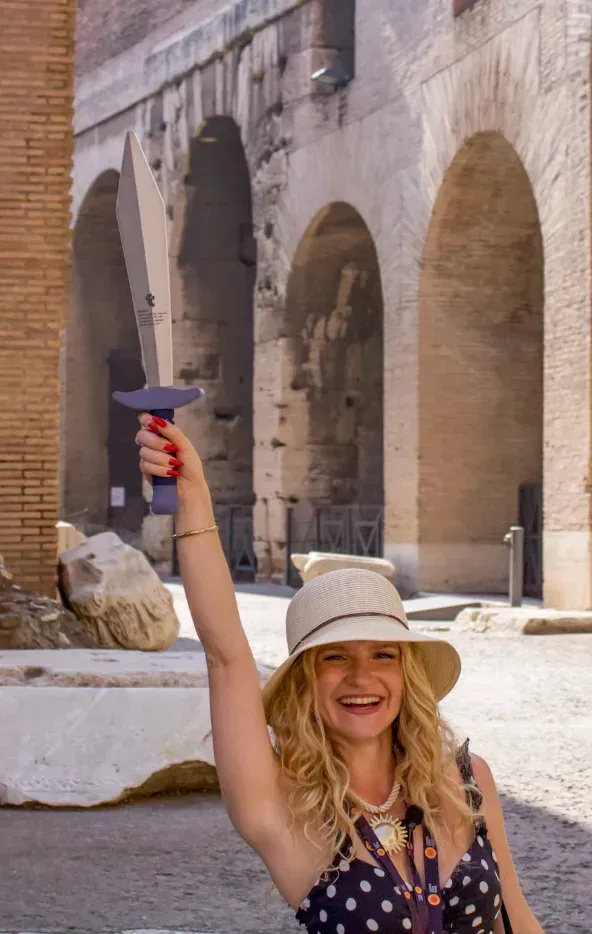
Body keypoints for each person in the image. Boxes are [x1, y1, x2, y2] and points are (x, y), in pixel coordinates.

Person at [136, 413, 544, 934]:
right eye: (334, 657)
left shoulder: (466, 780)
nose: (360, 676)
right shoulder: (281, 807)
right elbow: (226, 655)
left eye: (383, 655)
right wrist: (192, 498)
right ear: (304, 680)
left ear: (407, 675)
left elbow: (518, 920)